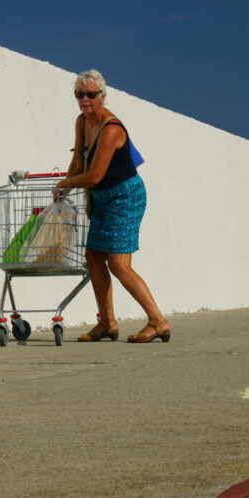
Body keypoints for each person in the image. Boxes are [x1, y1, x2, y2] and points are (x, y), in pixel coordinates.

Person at [54, 70, 170, 343]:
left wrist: (65, 185)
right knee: (93, 256)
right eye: (80, 94)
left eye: (91, 94)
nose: (85, 99)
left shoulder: (112, 129)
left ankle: (158, 321)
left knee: (119, 264)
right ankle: (107, 323)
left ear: (103, 97)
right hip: (103, 198)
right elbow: (78, 164)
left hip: (125, 197)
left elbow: (94, 175)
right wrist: (67, 182)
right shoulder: (82, 122)